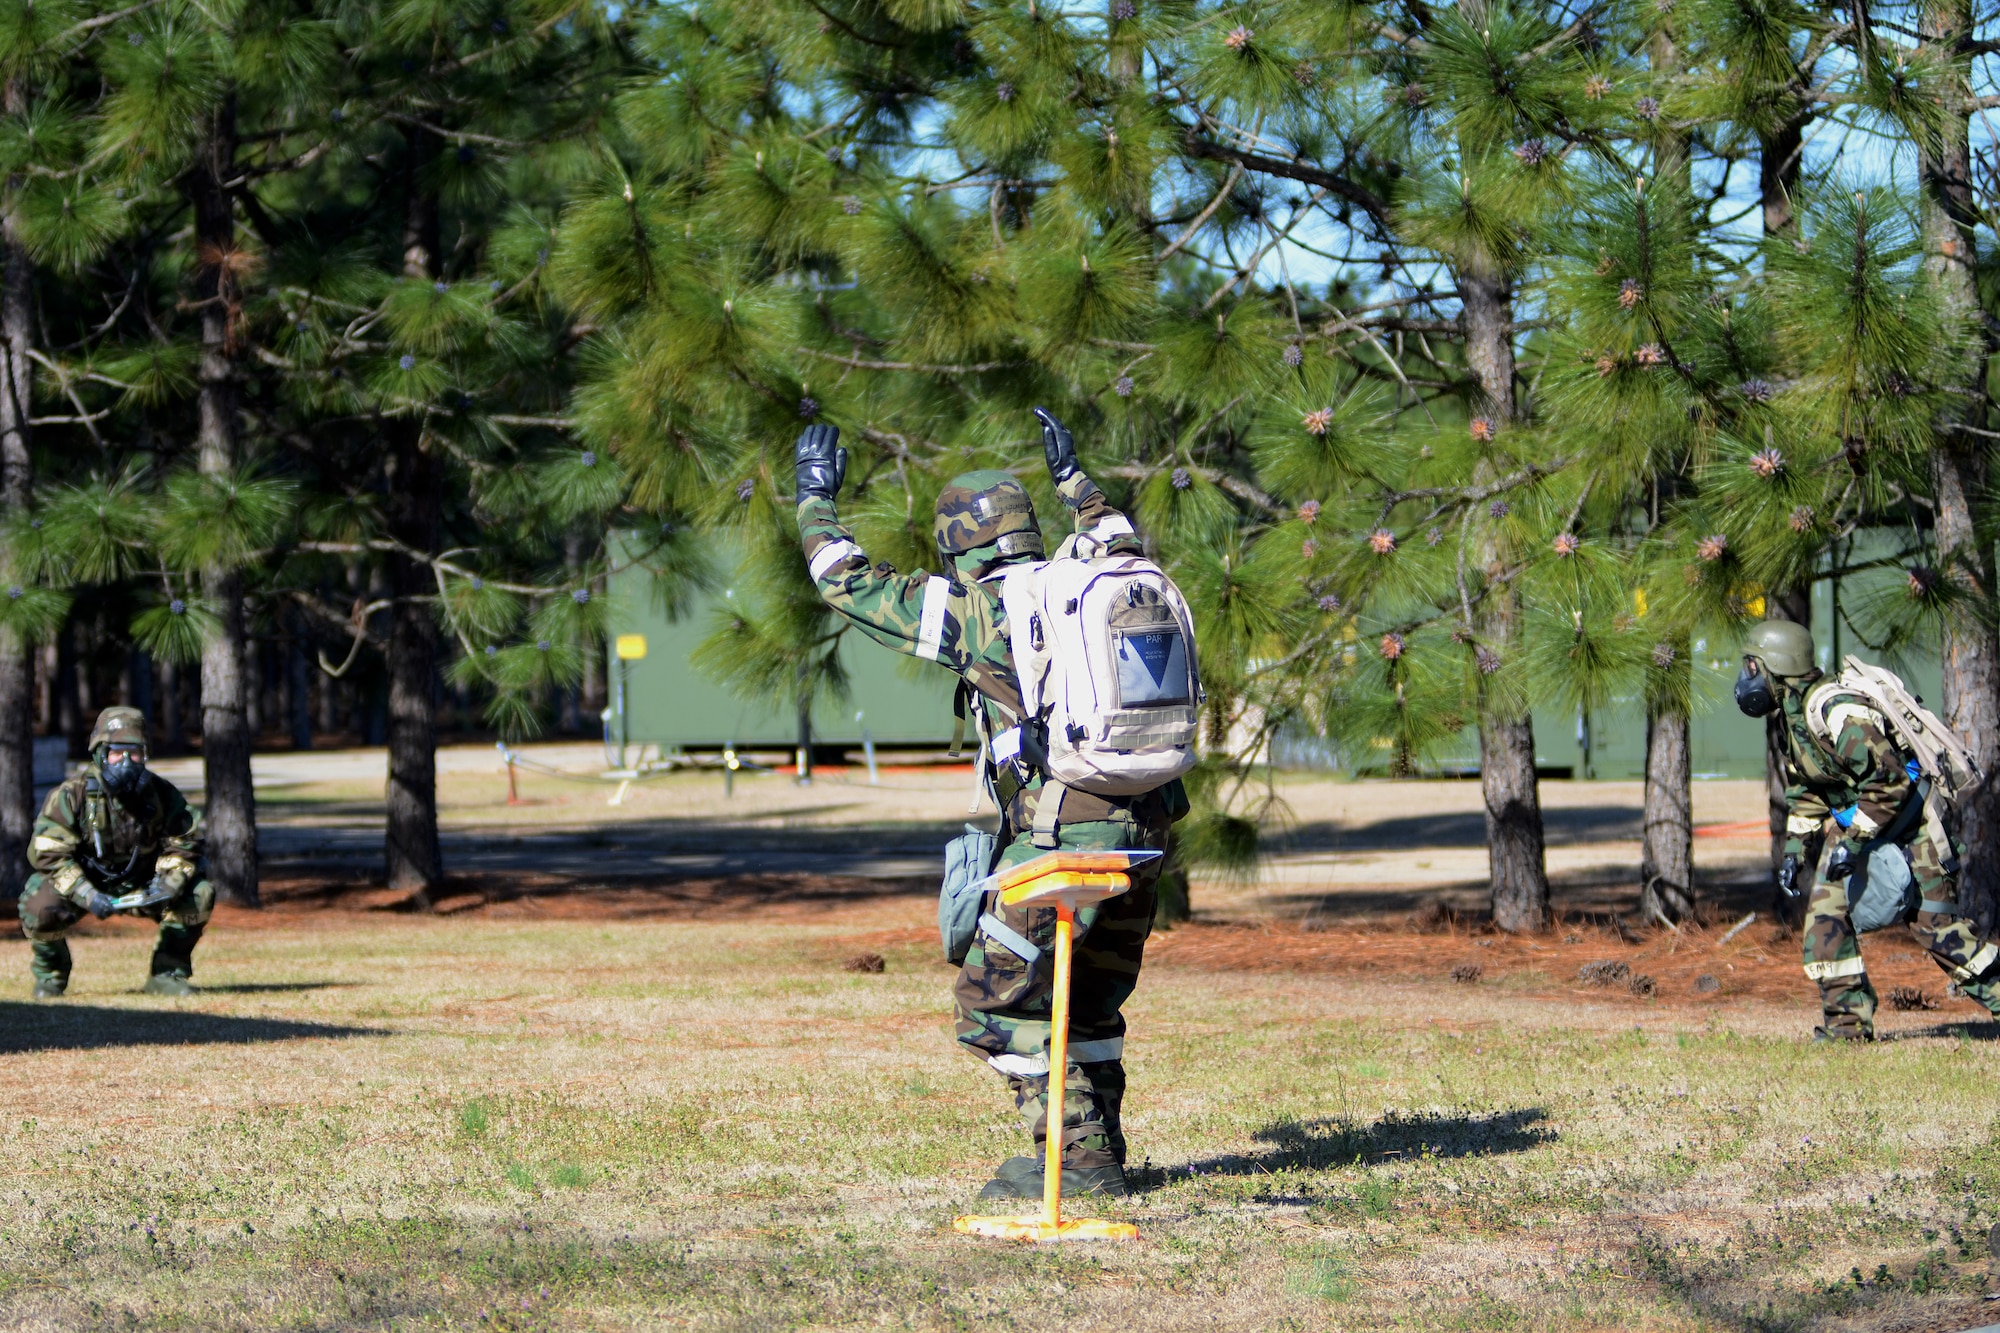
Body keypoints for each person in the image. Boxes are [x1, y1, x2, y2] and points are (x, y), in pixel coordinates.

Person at [794, 409, 1188, 1200]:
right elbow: (1118, 535)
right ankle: (1100, 1156)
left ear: (960, 551)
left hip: (1056, 836)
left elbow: (847, 582)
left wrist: (814, 500)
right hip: (1145, 828)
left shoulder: (984, 609)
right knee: (1089, 1000)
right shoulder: (1095, 577)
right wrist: (1077, 483)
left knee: (995, 1000)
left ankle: (1071, 1160)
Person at [1736, 620, 2000, 1039]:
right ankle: (1847, 1028)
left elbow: (1890, 781)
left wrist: (1853, 839)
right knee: (1826, 921)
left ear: (1776, 666)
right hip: (1868, 827)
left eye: (1752, 667)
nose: (1746, 678)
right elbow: (1808, 790)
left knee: (1940, 934)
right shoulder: (1792, 721)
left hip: (1915, 829)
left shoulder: (1836, 712)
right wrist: (1794, 850)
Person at [19, 706, 213, 998]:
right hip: (85, 887)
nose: (126, 761)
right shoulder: (71, 795)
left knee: (199, 894)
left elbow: (185, 842)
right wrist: (87, 894)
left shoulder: (162, 794)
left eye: (134, 752)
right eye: (116, 752)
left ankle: (166, 974)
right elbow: (49, 853)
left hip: (145, 886)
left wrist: (168, 883)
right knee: (38, 904)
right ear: (100, 753)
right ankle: (50, 976)